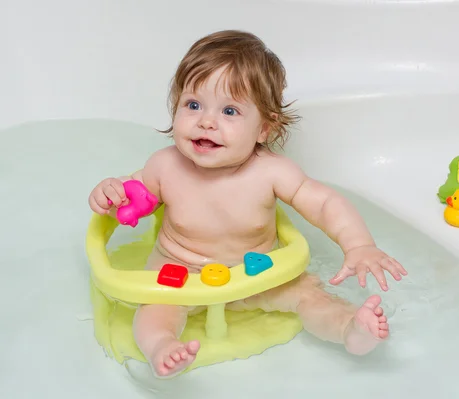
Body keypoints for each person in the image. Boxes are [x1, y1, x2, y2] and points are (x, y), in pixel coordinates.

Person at [88, 30, 407, 378]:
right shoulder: (165, 166)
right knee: (153, 311)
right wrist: (111, 192)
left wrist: (359, 245)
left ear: (263, 129)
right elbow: (132, 198)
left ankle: (350, 329)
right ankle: (163, 348)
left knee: (311, 296)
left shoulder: (271, 172)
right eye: (193, 105)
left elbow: (325, 203)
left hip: (258, 276)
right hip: (179, 275)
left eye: (229, 111)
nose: (206, 121)